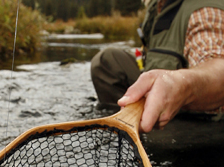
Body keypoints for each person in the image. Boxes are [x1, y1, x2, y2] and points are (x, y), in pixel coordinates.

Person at [91, 0, 224, 132]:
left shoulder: (205, 10)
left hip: (197, 119)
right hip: (154, 82)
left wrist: (183, 85)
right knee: (108, 61)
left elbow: (218, 67)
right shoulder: (156, 5)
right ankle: (122, 124)